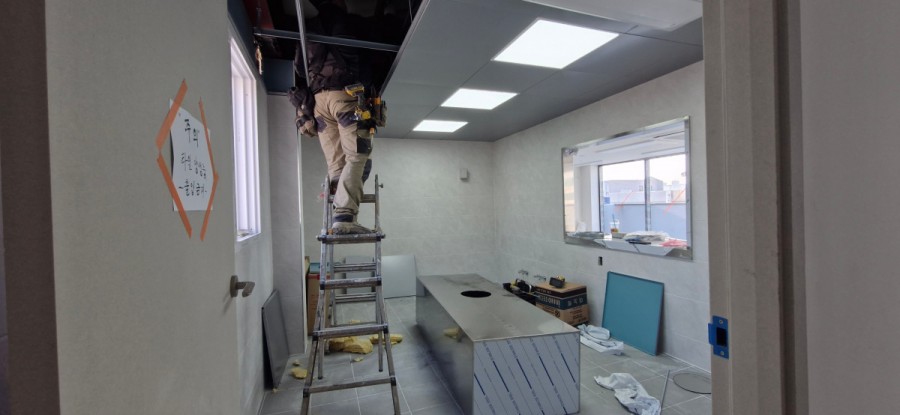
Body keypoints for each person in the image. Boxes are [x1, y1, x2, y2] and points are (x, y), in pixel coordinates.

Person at [299, 0, 377, 235]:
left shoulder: (310, 28)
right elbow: (366, 54)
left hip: (318, 103)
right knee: (358, 155)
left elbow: (300, 68)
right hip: (344, 96)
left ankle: (338, 209)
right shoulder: (347, 23)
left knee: (336, 164)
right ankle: (344, 216)